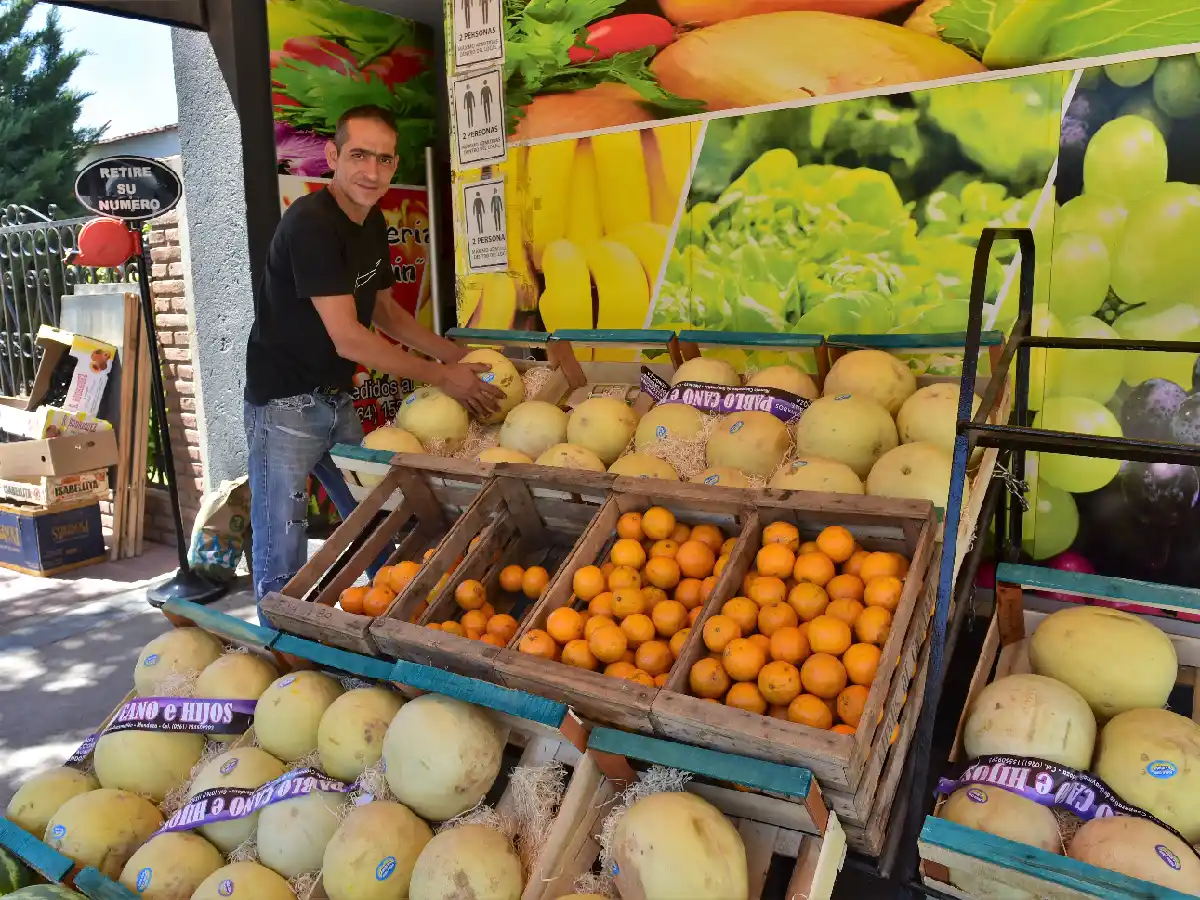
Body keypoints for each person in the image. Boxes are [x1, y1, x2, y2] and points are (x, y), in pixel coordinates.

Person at [243, 104, 502, 619]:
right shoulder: (312, 225)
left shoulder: (371, 220)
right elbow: (349, 339)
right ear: (333, 155)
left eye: (384, 160)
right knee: (284, 534)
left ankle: (394, 614)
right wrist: (441, 376)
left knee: (375, 510)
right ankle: (280, 642)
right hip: (286, 403)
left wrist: (459, 356)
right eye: (359, 155)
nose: (372, 171)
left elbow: (385, 310)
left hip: (334, 396)